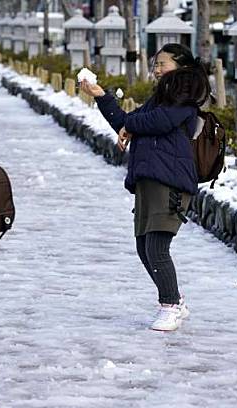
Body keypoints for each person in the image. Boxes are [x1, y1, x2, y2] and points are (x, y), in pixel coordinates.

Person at [80, 44, 211, 331]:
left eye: (162, 63)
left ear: (180, 65)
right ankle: (174, 299)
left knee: (157, 246)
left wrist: (132, 126)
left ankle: (170, 307)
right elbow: (127, 122)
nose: (157, 69)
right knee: (144, 247)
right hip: (149, 178)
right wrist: (101, 96)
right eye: (155, 64)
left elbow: (159, 122)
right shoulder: (162, 97)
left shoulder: (185, 97)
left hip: (171, 180)